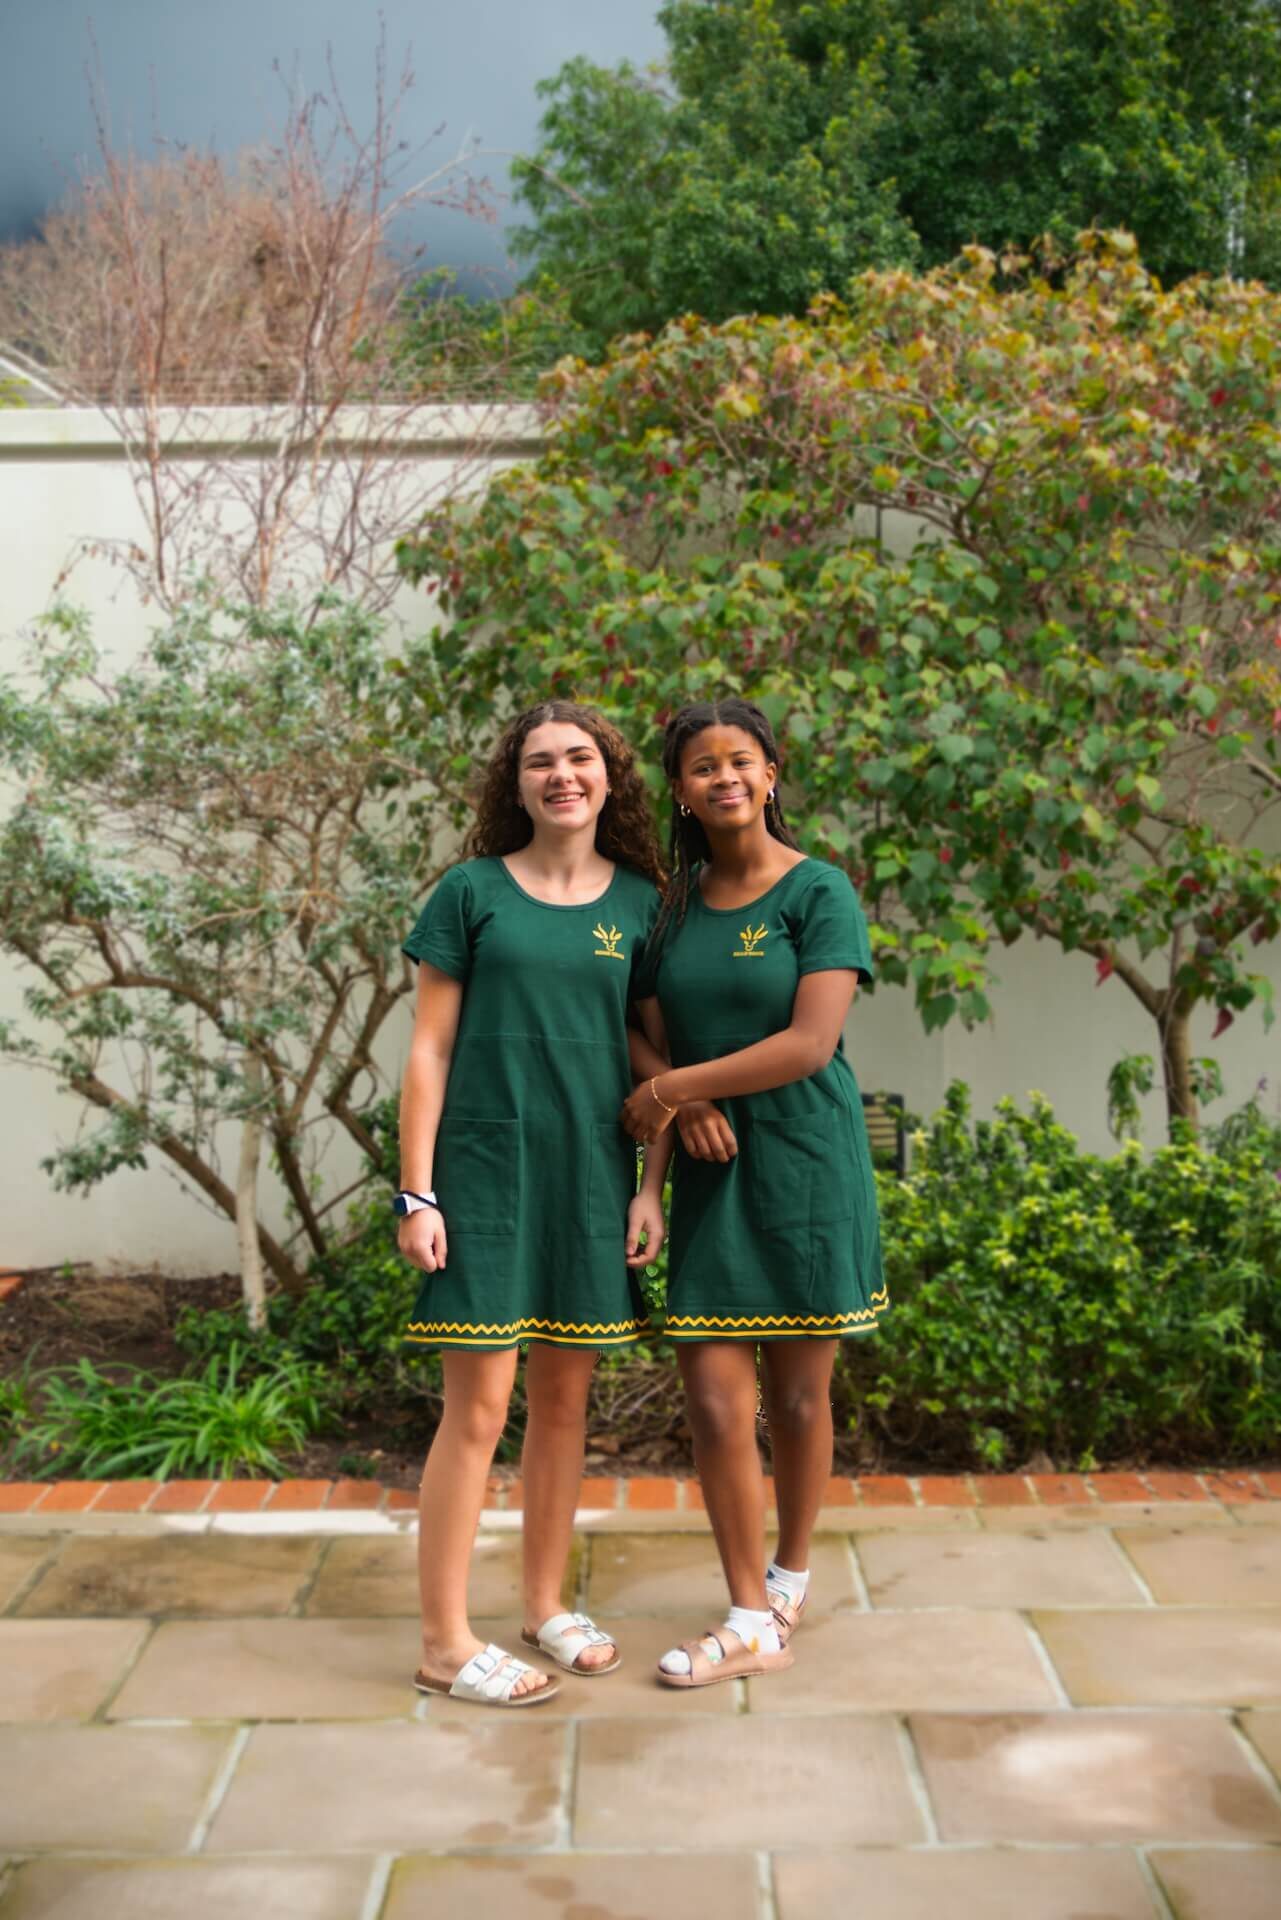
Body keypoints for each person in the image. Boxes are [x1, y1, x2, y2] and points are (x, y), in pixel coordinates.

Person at [397, 700, 665, 1707]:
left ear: (609, 778)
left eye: (580, 758)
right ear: (514, 786)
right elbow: (426, 1049)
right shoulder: (468, 895)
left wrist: (650, 1190)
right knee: (479, 1409)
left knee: (564, 1407)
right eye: (540, 761)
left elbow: (652, 1063)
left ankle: (545, 1606)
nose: (562, 774)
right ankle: (443, 1641)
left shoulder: (643, 907)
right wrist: (416, 1192)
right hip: (483, 1178)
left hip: (591, 1181)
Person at [622, 697, 886, 1688]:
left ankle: (789, 1573)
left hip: (805, 1161)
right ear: (681, 791)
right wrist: (678, 1103)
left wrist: (677, 1087)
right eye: (701, 766)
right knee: (715, 1400)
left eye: (741, 759)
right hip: (713, 1164)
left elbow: (810, 1043)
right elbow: (637, 1025)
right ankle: (748, 1616)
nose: (723, 777)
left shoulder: (820, 893)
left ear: (772, 773)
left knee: (800, 1396)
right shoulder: (671, 903)